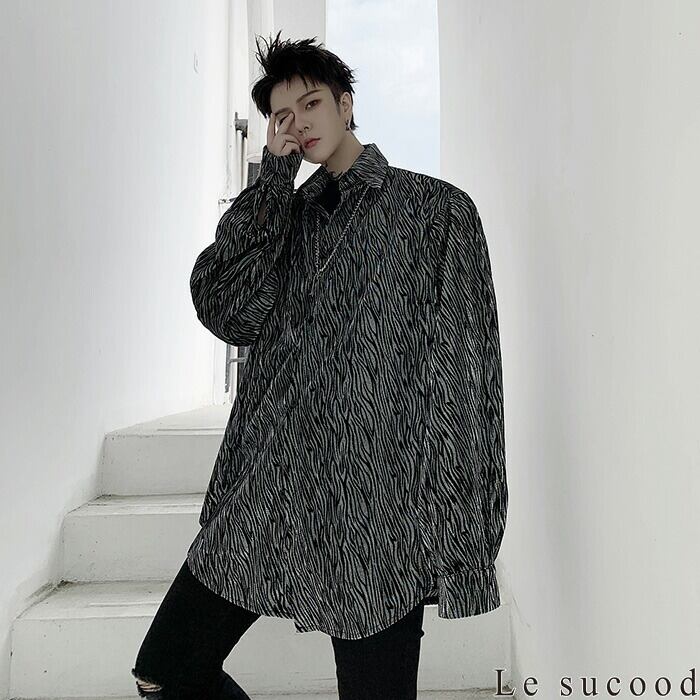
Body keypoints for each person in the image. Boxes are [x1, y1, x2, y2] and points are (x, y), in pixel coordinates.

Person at [131, 31, 508, 700]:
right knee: (164, 672)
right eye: (282, 116)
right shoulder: (284, 220)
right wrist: (273, 186)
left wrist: (460, 539)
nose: (298, 124)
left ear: (345, 103)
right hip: (271, 493)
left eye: (310, 104)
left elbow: (466, 380)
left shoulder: (436, 212)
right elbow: (230, 311)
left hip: (379, 511)